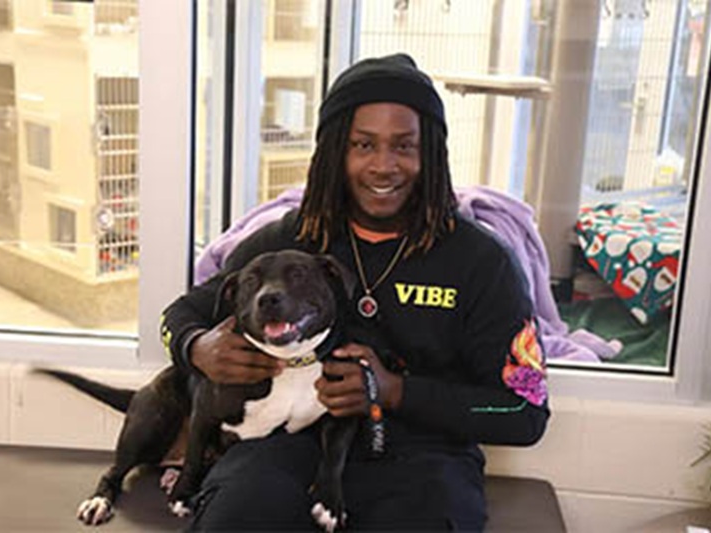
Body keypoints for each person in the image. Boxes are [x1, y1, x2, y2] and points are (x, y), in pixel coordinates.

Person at [160, 53, 549, 531]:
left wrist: (397, 392)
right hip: (287, 442)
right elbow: (182, 313)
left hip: (423, 461)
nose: (383, 166)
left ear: (429, 153)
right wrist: (197, 347)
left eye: (403, 146)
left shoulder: (481, 262)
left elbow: (523, 412)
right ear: (334, 153)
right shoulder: (289, 242)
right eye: (363, 145)